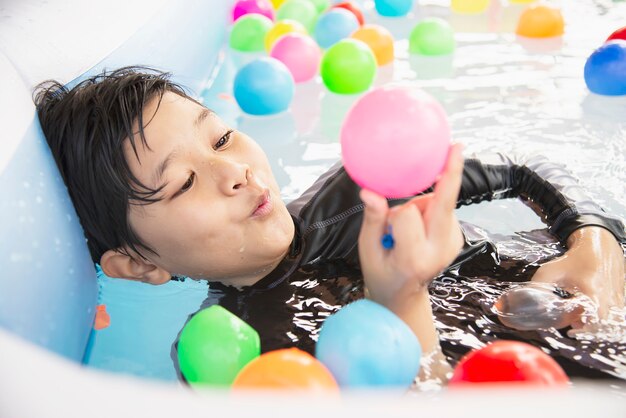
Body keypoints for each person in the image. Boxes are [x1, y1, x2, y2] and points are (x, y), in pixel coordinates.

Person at [34, 67, 626, 383]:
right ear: (139, 265)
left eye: (220, 137)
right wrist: (403, 300)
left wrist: (593, 247)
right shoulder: (239, 357)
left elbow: (525, 168)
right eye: (182, 183)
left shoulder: (359, 194)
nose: (233, 170)